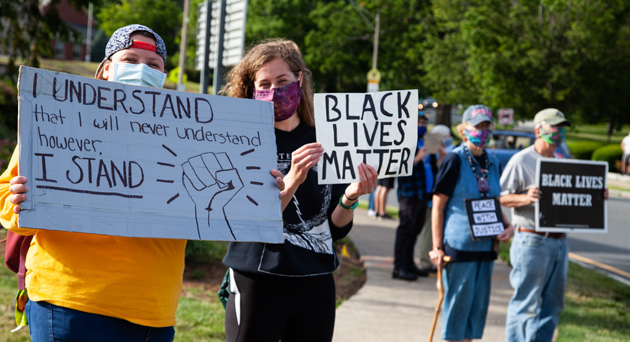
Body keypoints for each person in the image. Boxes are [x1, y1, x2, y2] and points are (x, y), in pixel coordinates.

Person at [0, 24, 184, 342]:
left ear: (163, 78)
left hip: (151, 310)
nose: (142, 71)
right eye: (129, 60)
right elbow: (6, 192)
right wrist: (20, 201)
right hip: (69, 303)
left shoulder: (185, 134)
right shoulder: (57, 119)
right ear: (106, 70)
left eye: (153, 66)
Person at [219, 38, 378, 342]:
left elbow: (334, 228)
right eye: (264, 83)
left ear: (299, 80)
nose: (275, 90)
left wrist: (351, 196)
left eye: (283, 81)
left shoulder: (327, 139)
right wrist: (292, 181)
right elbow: (245, 223)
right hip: (257, 279)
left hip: (315, 282)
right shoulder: (242, 141)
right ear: (252, 90)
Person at [500, 108, 607, 342]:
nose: (559, 132)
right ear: (539, 130)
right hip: (531, 240)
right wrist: (525, 198)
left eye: (562, 127)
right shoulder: (522, 159)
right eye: (554, 126)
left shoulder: (562, 161)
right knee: (526, 303)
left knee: (553, 305)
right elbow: (502, 197)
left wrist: (597, 196)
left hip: (560, 243)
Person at [430, 104, 514, 342]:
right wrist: (437, 247)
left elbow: (494, 201)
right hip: (459, 247)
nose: (483, 131)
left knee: (475, 315)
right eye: (478, 126)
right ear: (463, 129)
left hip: (487, 247)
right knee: (457, 312)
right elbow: (438, 206)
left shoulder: (493, 161)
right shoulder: (454, 160)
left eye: (487, 126)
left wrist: (507, 226)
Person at [392, 112, 429, 280]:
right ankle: (399, 267)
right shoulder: (403, 142)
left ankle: (409, 264)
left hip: (423, 194)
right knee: (405, 231)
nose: (422, 125)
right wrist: (417, 158)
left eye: (424, 122)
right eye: (419, 122)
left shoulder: (425, 142)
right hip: (409, 193)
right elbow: (398, 168)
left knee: (415, 231)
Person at [417, 124, 453, 273]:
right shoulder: (427, 149)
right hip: (429, 196)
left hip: (434, 195)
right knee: (428, 232)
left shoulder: (441, 152)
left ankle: (431, 261)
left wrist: (442, 157)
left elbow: (436, 169)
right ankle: (425, 262)